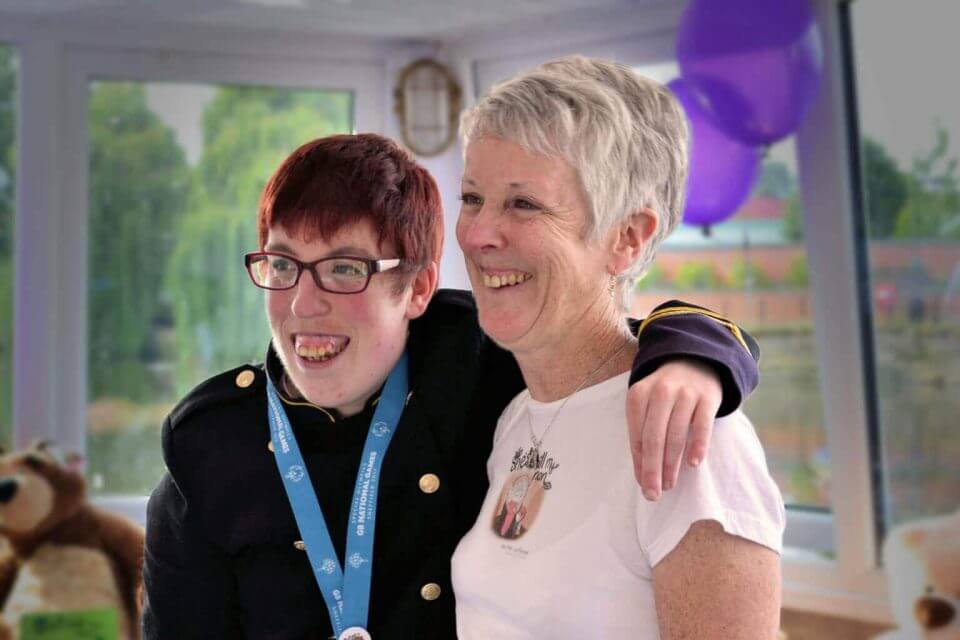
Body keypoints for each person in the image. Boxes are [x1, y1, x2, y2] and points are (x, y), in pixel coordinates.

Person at [142, 133, 761, 640]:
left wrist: (692, 360)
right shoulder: (211, 448)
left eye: (344, 269)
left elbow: (615, 339)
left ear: (416, 289)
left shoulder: (474, 357)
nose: (303, 304)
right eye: (282, 265)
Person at [451, 56, 785, 639]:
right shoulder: (514, 418)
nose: (479, 233)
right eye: (473, 197)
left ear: (627, 239)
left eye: (523, 204)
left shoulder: (694, 444)